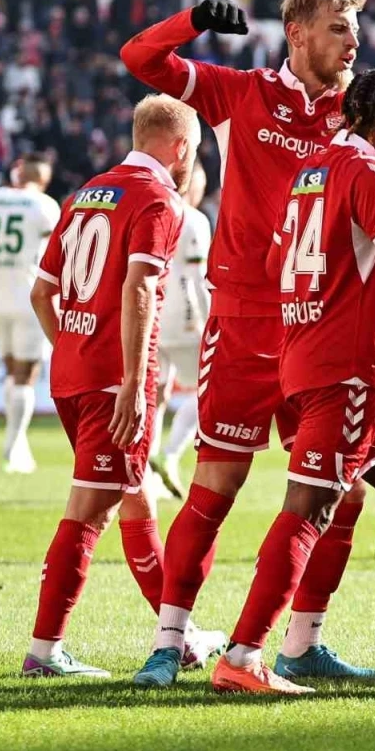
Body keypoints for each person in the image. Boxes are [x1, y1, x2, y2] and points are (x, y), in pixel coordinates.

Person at [122, 0, 375, 688]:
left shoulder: (355, 114)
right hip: (246, 325)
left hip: (318, 324)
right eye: (337, 29)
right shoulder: (242, 93)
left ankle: (303, 642)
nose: (353, 43)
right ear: (296, 33)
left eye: (354, 29)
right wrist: (192, 21)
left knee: (347, 493)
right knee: (217, 487)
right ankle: (171, 643)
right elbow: (141, 59)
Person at [210, 68, 375, 695]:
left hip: (306, 353)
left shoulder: (312, 168)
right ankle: (242, 656)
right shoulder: (368, 172)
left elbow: (276, 261)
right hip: (341, 368)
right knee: (309, 507)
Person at [21, 95, 224, 679]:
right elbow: (139, 288)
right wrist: (135, 382)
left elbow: (41, 293)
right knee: (89, 512)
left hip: (72, 375)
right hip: (114, 383)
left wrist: (73, 350)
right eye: (193, 151)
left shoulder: (86, 193)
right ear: (180, 147)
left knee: (134, 497)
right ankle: (44, 651)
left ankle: (180, 635)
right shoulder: (160, 200)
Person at [0, 154, 60, 474]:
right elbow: (51, 252)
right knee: (26, 374)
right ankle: (13, 445)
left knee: (11, 370)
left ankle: (18, 441)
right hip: (27, 296)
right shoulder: (45, 206)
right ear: (43, 180)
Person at [148, 162, 211, 499]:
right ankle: (169, 454)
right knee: (212, 389)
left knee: (156, 393)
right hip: (184, 317)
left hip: (151, 315)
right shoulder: (194, 218)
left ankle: (147, 472)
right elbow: (198, 279)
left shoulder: (152, 210)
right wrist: (211, 319)